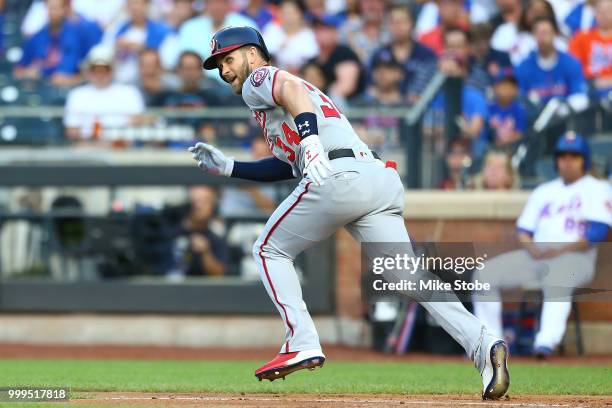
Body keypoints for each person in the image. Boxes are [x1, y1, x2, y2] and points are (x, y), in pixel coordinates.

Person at [188, 25, 510, 399]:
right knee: (408, 278)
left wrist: (309, 139)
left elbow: (292, 90)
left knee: (267, 249)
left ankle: (302, 339)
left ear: (254, 54)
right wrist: (231, 167)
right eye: (219, 65)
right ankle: (483, 343)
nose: (225, 70)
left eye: (229, 58)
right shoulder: (268, 108)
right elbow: (287, 165)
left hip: (340, 176)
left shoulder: (258, 78)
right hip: (375, 179)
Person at [473, 132, 611, 358]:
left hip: (576, 258)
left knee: (557, 276)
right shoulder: (544, 191)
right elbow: (524, 231)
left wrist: (558, 251)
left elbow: (596, 233)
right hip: (537, 256)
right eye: (562, 156)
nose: (567, 161)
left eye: (573, 156)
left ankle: (545, 343)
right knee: (483, 274)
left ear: (584, 159)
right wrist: (532, 248)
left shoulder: (598, 188)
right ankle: (492, 345)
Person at [63, 45, 145, 143]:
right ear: (88, 71)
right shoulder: (77, 95)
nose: (100, 74)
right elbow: (72, 130)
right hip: (87, 147)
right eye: (95, 69)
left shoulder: (130, 92)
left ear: (113, 70)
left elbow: (136, 124)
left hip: (122, 148)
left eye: (105, 69)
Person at [516, 17, 589, 112]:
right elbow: (521, 100)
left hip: (565, 118)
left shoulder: (570, 63)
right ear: (533, 36)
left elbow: (579, 97)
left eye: (546, 33)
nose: (542, 38)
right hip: (535, 119)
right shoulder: (523, 67)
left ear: (555, 34)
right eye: (539, 33)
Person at [368, 4, 438, 103]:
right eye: (393, 22)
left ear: (412, 23)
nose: (398, 26)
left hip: (419, 113)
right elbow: (370, 89)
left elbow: (424, 92)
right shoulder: (379, 54)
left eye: (402, 21)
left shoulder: (426, 55)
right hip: (382, 112)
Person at [15, 0, 86, 87]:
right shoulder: (38, 36)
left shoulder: (79, 34)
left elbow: (92, 71)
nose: (52, 12)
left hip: (70, 90)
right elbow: (18, 70)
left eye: (56, 8)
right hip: (41, 88)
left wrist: (71, 80)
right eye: (50, 8)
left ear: (65, 9)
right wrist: (27, 73)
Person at [102, 0, 172, 84]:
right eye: (131, 3)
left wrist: (144, 50)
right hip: (118, 81)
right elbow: (103, 55)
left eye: (139, 3)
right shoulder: (115, 30)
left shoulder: (163, 32)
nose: (135, 7)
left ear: (147, 5)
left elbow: (168, 63)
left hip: (149, 83)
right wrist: (115, 48)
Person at [308, 15, 364, 108]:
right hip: (321, 104)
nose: (321, 33)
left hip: (351, 106)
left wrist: (322, 102)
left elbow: (346, 87)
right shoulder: (312, 60)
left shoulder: (344, 53)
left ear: (335, 32)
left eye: (326, 29)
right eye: (318, 29)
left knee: (336, 96)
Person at [170, 186, 228, 277]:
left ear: (213, 207)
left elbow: (218, 274)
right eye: (195, 200)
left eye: (204, 202)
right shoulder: (170, 230)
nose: (198, 206)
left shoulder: (216, 239)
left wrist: (205, 253)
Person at [569, 0, 612, 98]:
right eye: (601, 11)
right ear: (595, 13)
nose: (605, 15)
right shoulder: (581, 38)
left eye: (609, 11)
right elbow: (572, 68)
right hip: (590, 88)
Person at [262, 0, 319, 73]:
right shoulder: (271, 29)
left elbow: (312, 57)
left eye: (292, 13)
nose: (288, 16)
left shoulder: (308, 35)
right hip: (274, 75)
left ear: (301, 14)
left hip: (301, 76)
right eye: (285, 13)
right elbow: (264, 54)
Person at [487, 74, 527, 152]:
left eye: (509, 87)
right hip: (491, 147)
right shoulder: (488, 108)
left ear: (516, 90)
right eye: (502, 87)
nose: (505, 90)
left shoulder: (519, 110)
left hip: (512, 148)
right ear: (495, 88)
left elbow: (520, 134)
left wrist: (507, 141)